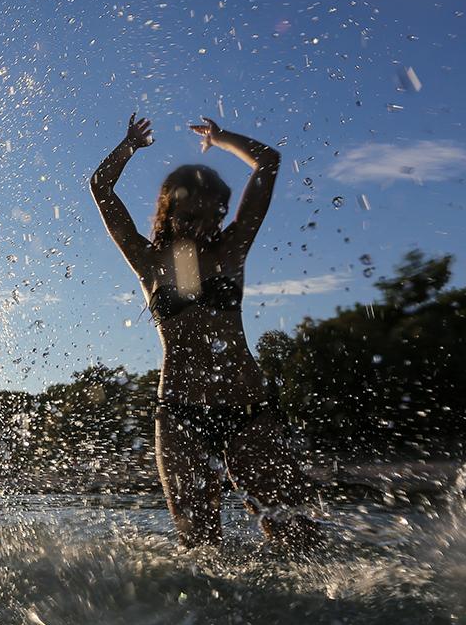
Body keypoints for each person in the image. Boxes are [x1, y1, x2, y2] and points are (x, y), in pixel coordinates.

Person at [90, 113, 321, 550]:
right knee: (199, 549)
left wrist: (221, 139)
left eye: (211, 214)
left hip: (249, 410)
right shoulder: (148, 262)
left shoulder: (233, 249)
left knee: (298, 539)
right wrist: (127, 148)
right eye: (188, 214)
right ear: (168, 210)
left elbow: (268, 162)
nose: (200, 225)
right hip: (179, 415)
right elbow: (101, 188)